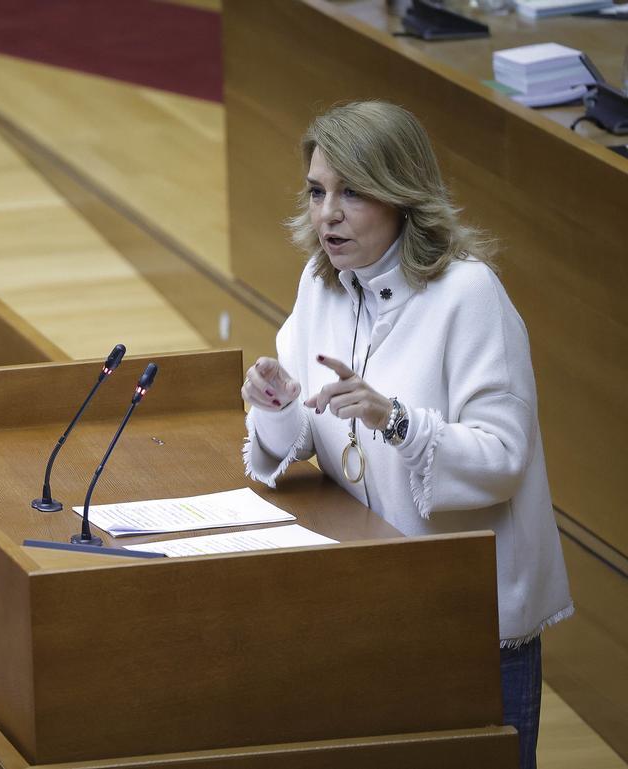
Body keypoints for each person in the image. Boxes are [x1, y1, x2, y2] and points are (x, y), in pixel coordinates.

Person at [241, 100, 571, 769]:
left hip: (468, 625)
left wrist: (395, 419)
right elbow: (309, 430)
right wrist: (278, 405)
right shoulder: (323, 284)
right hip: (371, 604)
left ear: (402, 197)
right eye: (317, 191)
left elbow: (503, 457)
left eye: (351, 192)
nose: (327, 213)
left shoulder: (468, 295)